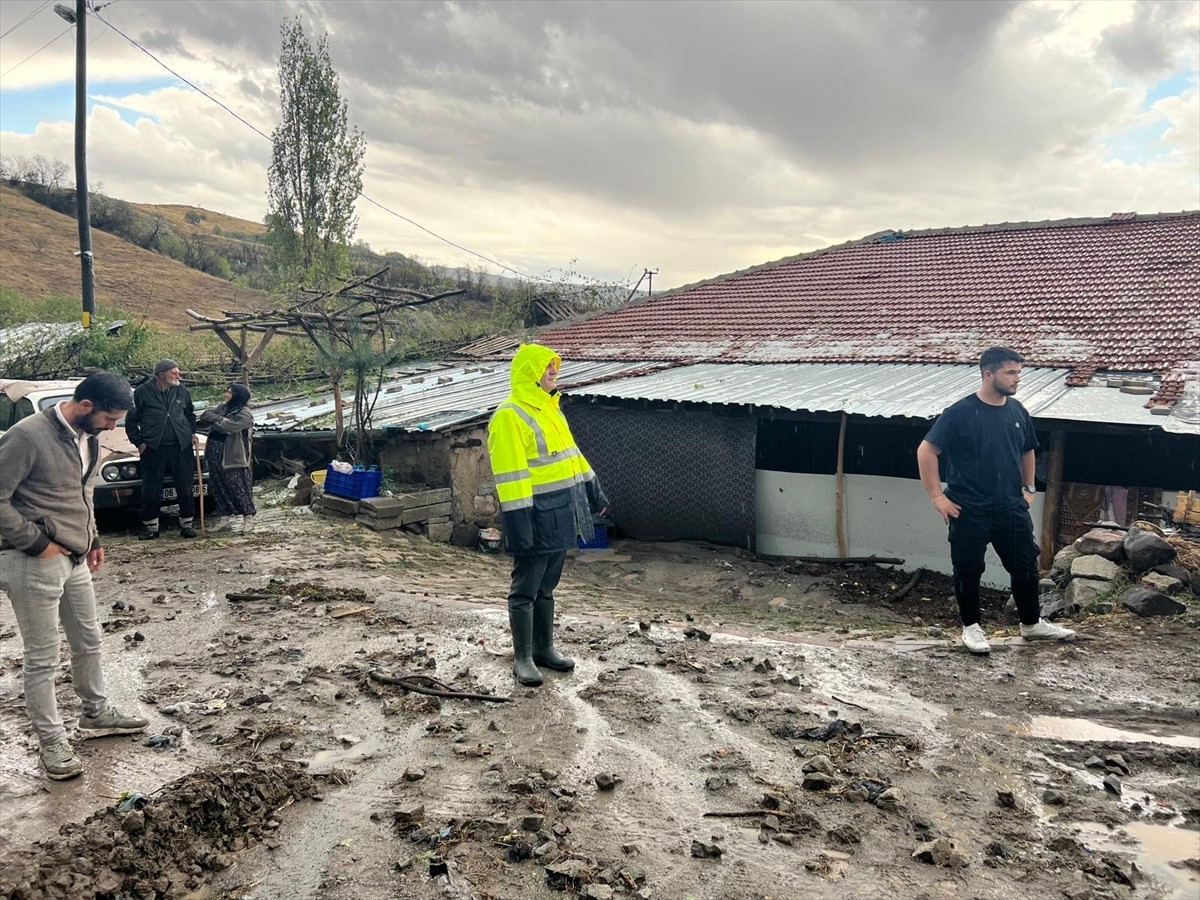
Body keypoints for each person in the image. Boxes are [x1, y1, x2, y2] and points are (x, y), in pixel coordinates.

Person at [0, 372, 149, 780]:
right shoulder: (26, 436)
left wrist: (92, 537)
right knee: (43, 658)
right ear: (86, 406)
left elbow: (82, 492)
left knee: (89, 639)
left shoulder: (90, 437)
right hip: (33, 560)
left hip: (76, 557)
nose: (113, 427)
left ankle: (95, 713)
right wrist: (37, 543)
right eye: (110, 418)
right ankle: (51, 742)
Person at [917, 346, 1076, 654]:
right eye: (1010, 372)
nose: (1017, 379)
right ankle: (971, 627)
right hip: (967, 508)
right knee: (968, 569)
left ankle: (1031, 624)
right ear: (988, 374)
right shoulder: (959, 412)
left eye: (1018, 372)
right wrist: (937, 497)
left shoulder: (1018, 411)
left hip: (1010, 507)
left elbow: (1028, 450)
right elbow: (926, 451)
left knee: (1026, 566)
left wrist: (1029, 488)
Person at [487, 344, 609, 687]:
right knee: (525, 588)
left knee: (547, 586)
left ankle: (544, 649)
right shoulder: (510, 415)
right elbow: (510, 476)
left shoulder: (552, 411)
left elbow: (573, 456)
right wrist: (519, 524)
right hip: (535, 515)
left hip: (561, 511)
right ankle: (523, 657)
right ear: (530, 373)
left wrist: (594, 490)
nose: (554, 371)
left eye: (555, 366)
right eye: (546, 367)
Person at [124, 359, 199, 540]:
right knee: (151, 488)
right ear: (161, 375)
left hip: (181, 446)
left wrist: (190, 433)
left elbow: (190, 414)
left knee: (186, 487)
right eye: (174, 372)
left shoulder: (182, 391)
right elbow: (131, 422)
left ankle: (187, 525)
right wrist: (139, 443)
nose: (178, 375)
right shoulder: (142, 392)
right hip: (153, 448)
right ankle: (151, 527)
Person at [198, 383, 257, 533]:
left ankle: (248, 518)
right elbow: (205, 415)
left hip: (232, 455)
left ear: (237, 396)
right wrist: (221, 419)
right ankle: (224, 519)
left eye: (230, 393)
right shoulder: (223, 408)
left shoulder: (245, 413)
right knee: (218, 486)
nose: (227, 395)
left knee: (238, 487)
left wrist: (217, 421)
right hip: (215, 452)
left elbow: (230, 427)